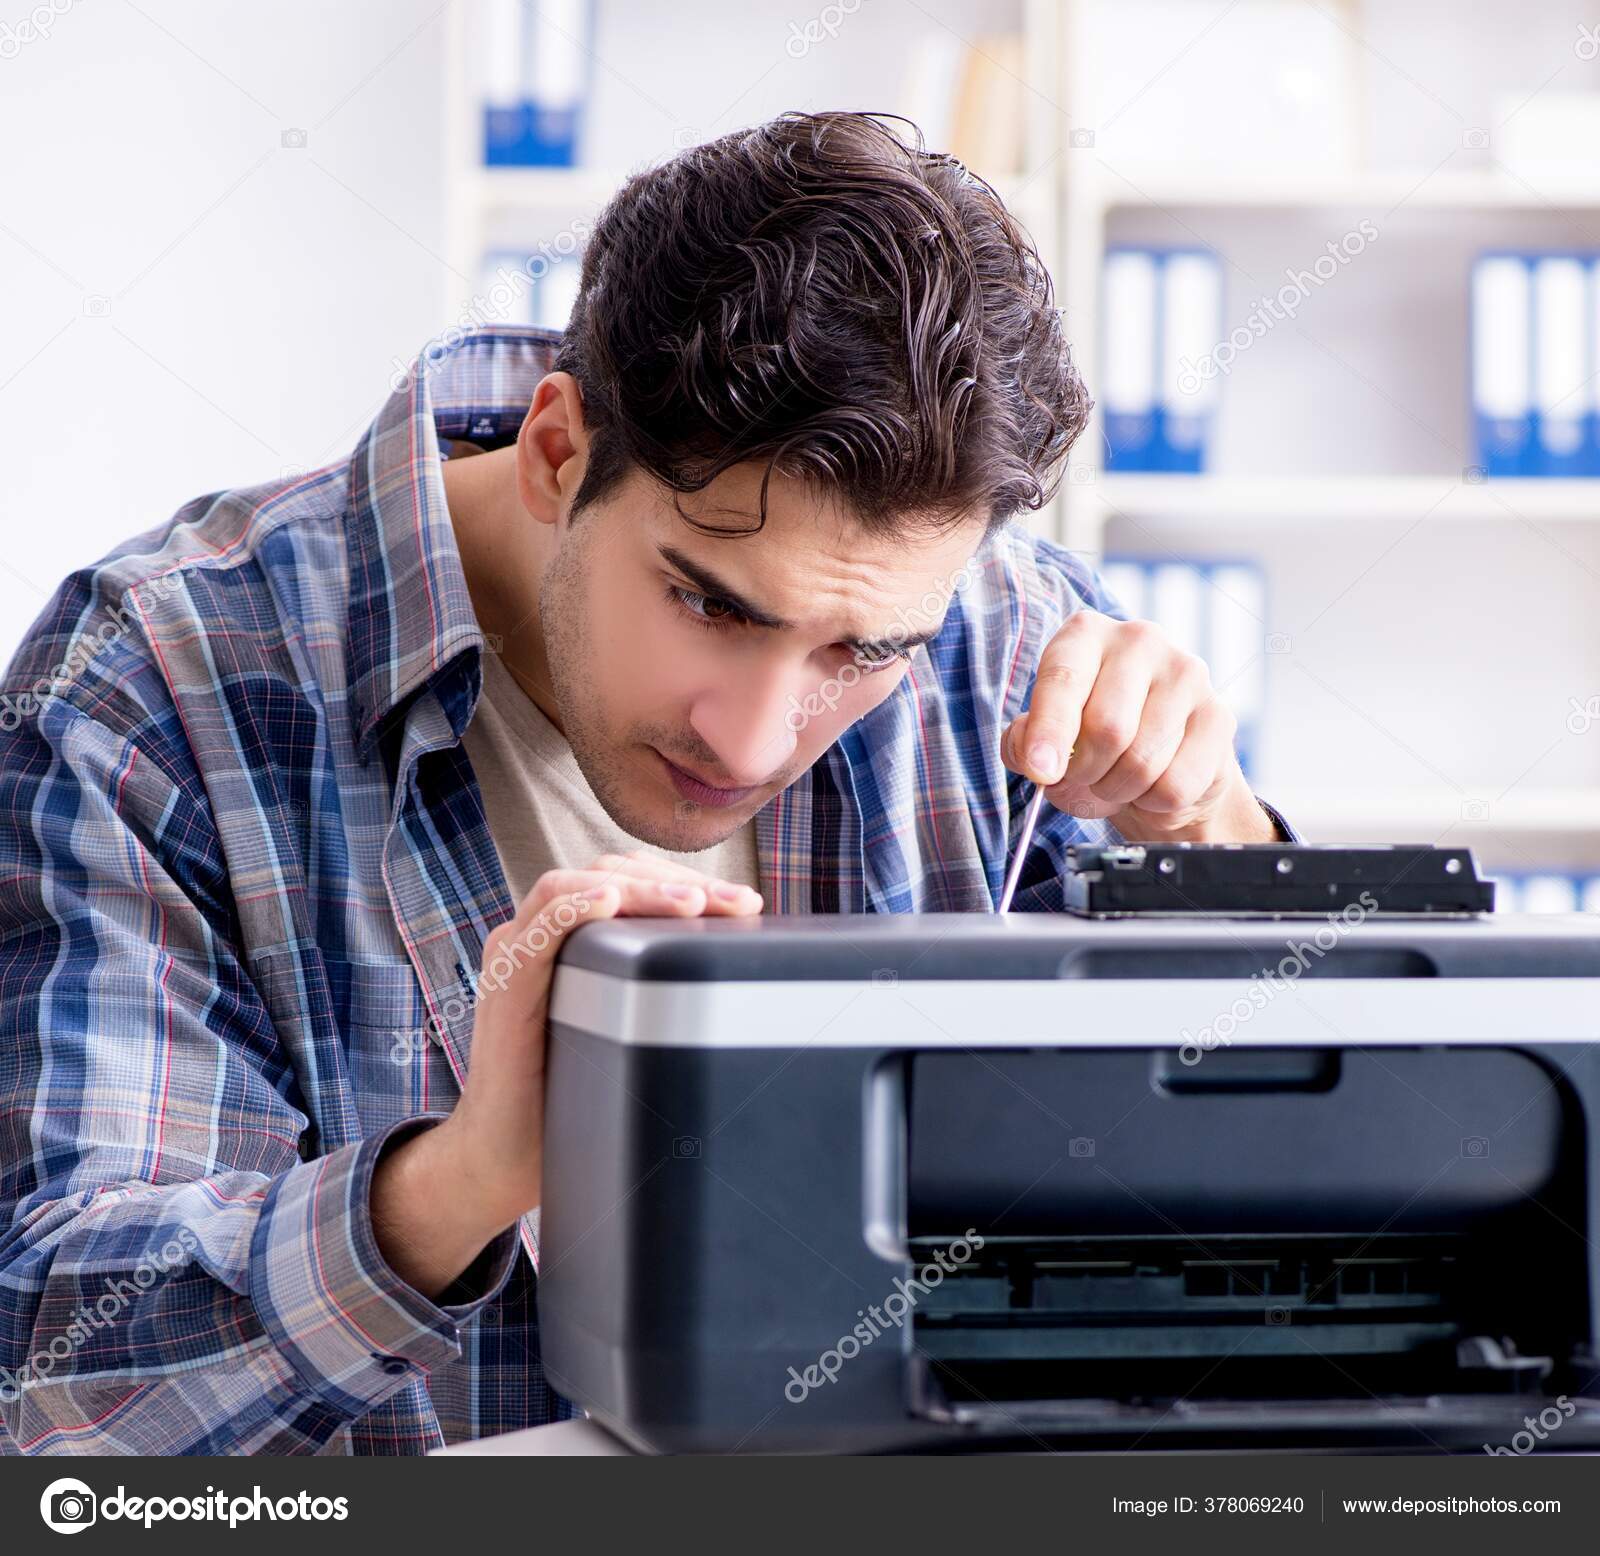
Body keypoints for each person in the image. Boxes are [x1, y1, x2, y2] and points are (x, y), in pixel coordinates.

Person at [0, 112, 1294, 1454]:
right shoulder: (152, 682)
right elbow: (54, 1392)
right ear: (561, 451)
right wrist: (462, 1181)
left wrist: (1214, 841)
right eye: (710, 605)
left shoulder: (1005, 643)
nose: (749, 741)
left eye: (861, 652)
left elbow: (1272, 1238)